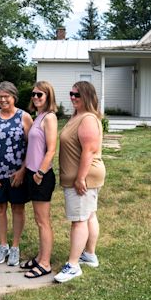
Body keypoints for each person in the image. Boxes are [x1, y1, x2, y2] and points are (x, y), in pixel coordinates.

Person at [54, 81, 106, 283]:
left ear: (87, 96)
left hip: (84, 177)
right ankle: (90, 255)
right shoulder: (77, 116)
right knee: (89, 215)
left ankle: (73, 265)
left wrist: (80, 177)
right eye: (71, 94)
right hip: (82, 176)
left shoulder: (88, 119)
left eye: (77, 94)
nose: (73, 97)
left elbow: (90, 150)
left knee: (79, 220)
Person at [0, 81, 33, 266]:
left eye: (6, 96)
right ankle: (3, 246)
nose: (3, 99)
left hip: (17, 175)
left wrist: (22, 170)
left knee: (18, 208)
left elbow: (32, 147)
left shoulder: (24, 117)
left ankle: (15, 248)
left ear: (14, 97)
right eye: (0, 96)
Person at [20, 81, 58, 278]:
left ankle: (45, 263)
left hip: (41, 176)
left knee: (43, 221)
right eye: (33, 94)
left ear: (48, 97)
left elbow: (51, 149)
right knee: (38, 219)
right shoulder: (38, 116)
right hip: (32, 174)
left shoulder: (50, 118)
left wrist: (40, 173)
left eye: (40, 95)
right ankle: (39, 257)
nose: (35, 98)